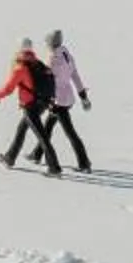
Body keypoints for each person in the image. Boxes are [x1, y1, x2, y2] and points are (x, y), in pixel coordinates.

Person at [0, 37, 61, 175]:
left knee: (41, 136)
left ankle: (54, 167)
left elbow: (8, 89)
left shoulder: (20, 68)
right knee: (21, 129)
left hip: (30, 107)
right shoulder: (38, 63)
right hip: (43, 104)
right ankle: (9, 158)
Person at [42, 29, 93, 174]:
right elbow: (75, 76)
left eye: (47, 42)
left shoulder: (53, 59)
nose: (46, 45)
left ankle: (84, 163)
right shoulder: (67, 55)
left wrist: (48, 100)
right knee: (47, 127)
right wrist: (83, 96)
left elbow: (49, 82)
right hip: (68, 97)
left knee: (70, 133)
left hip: (59, 101)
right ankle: (37, 154)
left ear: (51, 43)